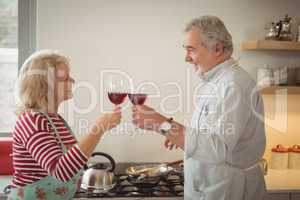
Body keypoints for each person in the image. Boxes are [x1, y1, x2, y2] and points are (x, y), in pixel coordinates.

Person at [132, 15, 266, 200]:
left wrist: (162, 124)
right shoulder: (215, 81)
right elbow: (209, 134)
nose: (186, 57)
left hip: (228, 191)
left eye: (191, 50)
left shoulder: (234, 85)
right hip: (212, 187)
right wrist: (174, 132)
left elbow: (216, 148)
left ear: (217, 48)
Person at [6, 50, 121, 199]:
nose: (73, 81)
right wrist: (98, 129)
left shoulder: (55, 120)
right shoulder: (33, 121)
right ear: (46, 85)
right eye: (66, 78)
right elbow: (61, 172)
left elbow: (72, 165)